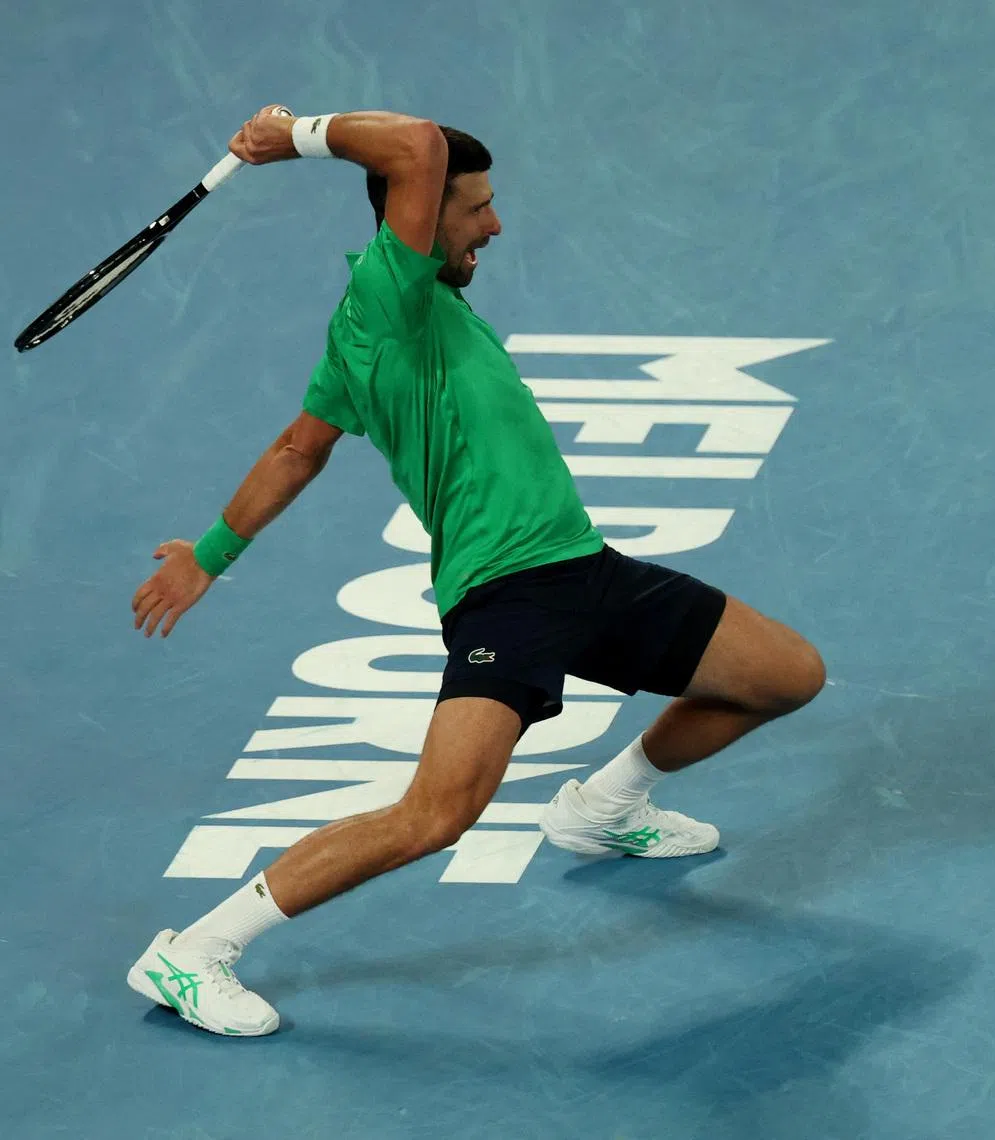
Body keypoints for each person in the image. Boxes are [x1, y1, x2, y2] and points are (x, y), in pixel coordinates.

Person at [127, 105, 826, 1036]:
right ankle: (195, 951)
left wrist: (208, 557)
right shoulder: (392, 295)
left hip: (584, 568)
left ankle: (603, 806)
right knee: (436, 814)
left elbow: (300, 447)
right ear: (412, 220)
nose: (492, 226)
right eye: (473, 210)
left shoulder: (373, 328)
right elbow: (416, 142)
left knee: (787, 676)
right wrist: (290, 135)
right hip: (507, 595)